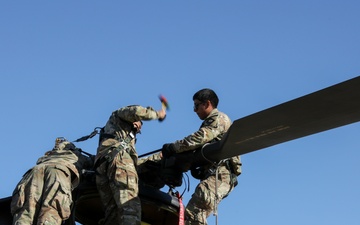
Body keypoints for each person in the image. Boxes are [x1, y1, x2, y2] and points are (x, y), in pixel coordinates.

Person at [161, 88, 242, 225]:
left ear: (207, 103)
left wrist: (174, 147)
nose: (194, 110)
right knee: (194, 215)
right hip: (214, 173)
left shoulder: (219, 119)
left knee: (195, 212)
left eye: (196, 105)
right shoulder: (210, 121)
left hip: (221, 174)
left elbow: (199, 138)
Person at [95, 104, 166, 225]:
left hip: (102, 167)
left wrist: (158, 157)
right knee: (129, 206)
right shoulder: (119, 115)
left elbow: (133, 164)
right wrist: (157, 114)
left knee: (113, 214)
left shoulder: (115, 140)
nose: (139, 128)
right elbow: (136, 111)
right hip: (117, 158)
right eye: (139, 123)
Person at [11, 137, 93, 225]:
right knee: (51, 211)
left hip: (33, 172)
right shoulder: (78, 156)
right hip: (58, 173)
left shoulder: (50, 154)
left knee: (26, 212)